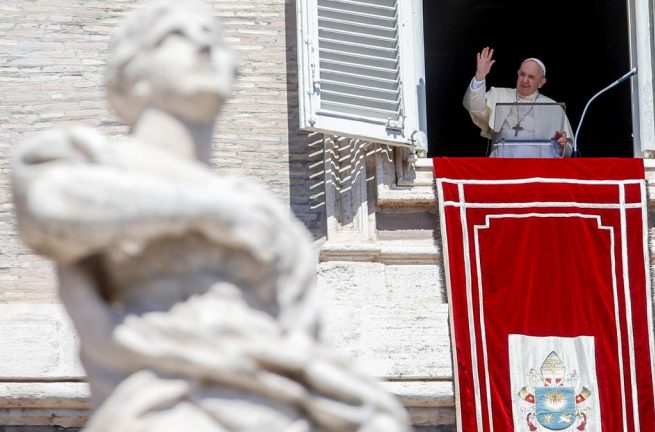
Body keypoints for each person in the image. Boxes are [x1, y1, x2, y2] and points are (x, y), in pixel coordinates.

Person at [11, 1, 409, 431]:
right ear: (134, 75)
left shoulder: (262, 212)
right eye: (176, 36)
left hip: (274, 399)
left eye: (214, 39)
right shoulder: (91, 162)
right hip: (163, 397)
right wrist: (205, 211)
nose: (203, 44)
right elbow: (50, 207)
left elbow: (301, 333)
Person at [463, 47, 574, 158]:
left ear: (541, 82)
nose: (524, 80)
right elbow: (472, 106)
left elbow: (568, 149)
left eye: (531, 77)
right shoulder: (498, 94)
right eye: (522, 74)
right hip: (502, 163)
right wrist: (480, 76)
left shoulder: (553, 107)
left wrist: (561, 146)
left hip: (539, 168)